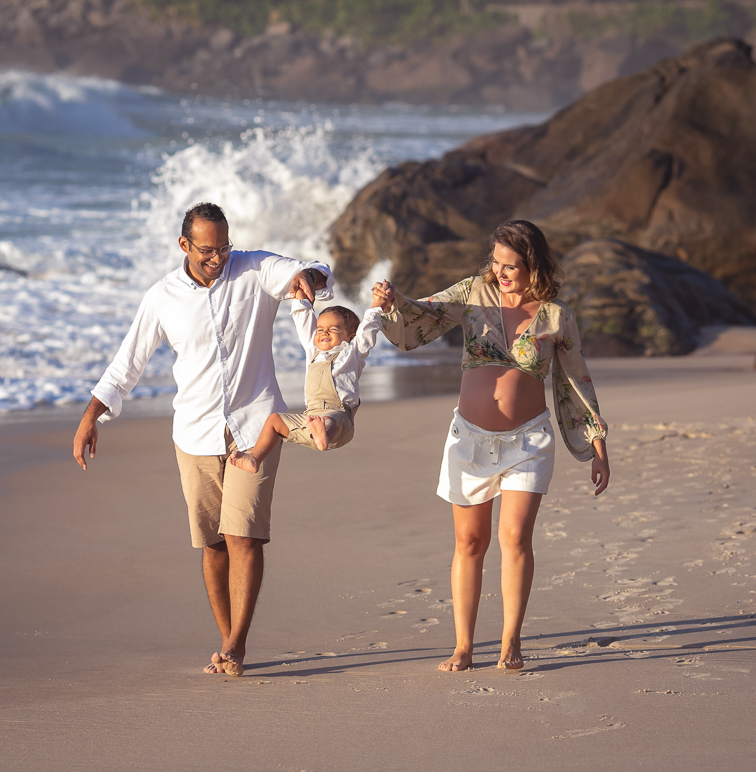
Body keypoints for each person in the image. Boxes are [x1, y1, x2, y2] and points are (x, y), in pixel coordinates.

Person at [71, 202, 332, 678]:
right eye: (207, 250)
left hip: (257, 427)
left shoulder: (252, 268)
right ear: (184, 245)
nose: (218, 257)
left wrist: (309, 278)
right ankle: (226, 638)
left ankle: (236, 645)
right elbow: (127, 363)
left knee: (243, 537)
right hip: (194, 433)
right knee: (213, 545)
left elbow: (304, 270)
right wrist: (91, 415)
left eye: (224, 247)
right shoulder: (162, 297)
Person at [372, 220, 610, 673]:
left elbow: (576, 381)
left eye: (511, 266)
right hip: (470, 438)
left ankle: (510, 641)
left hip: (529, 439)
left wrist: (597, 444)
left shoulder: (557, 316)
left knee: (515, 537)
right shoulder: (473, 293)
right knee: (470, 541)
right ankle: (463, 646)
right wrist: (391, 303)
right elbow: (423, 313)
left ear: (533, 264)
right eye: (496, 262)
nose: (501, 273)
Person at [228, 289, 386, 473]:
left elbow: (368, 330)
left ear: (350, 336)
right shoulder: (313, 351)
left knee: (327, 420)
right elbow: (303, 320)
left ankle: (323, 434)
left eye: (333, 329)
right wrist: (300, 299)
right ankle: (254, 458)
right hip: (309, 419)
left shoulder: (352, 353)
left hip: (339, 417)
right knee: (273, 420)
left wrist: (377, 304)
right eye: (320, 329)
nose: (324, 333)